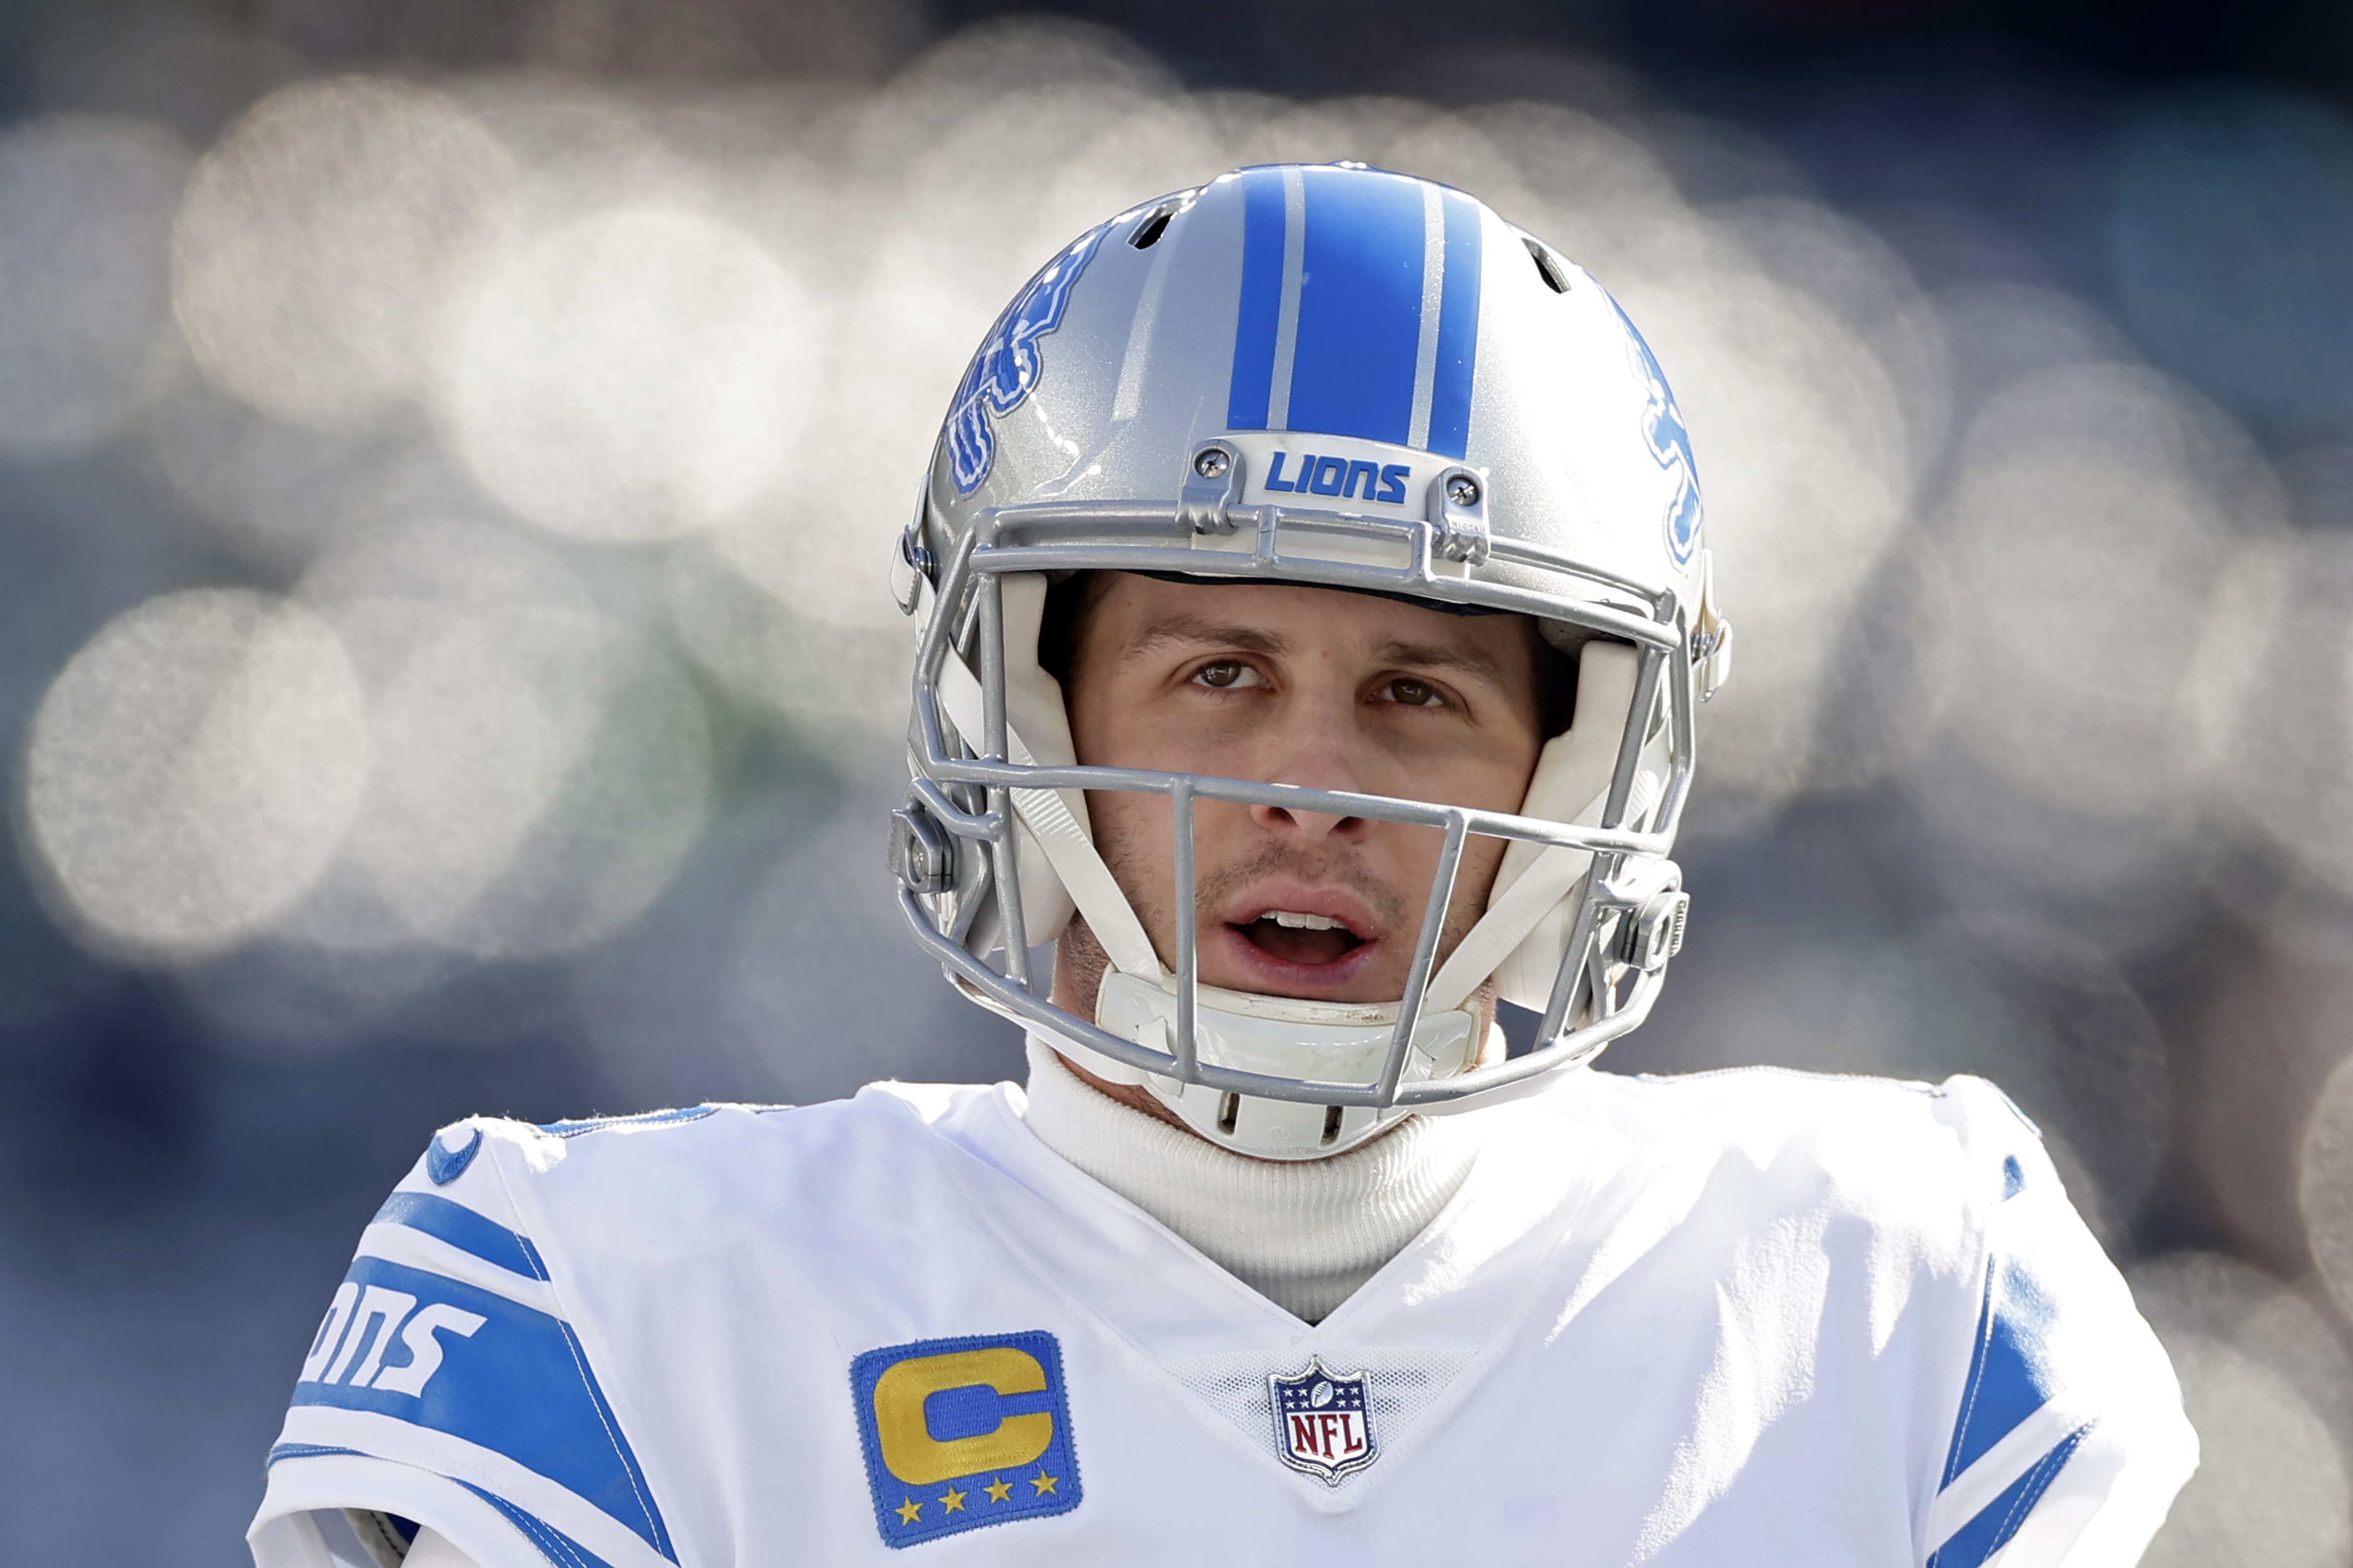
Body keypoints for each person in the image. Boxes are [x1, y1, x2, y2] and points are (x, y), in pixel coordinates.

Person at [248, 164, 2196, 1568]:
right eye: (1220, 671)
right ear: (1034, 715)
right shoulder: (626, 1303)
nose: (1315, 782)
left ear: (1578, 756)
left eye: (1421, 690)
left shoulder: (1899, 1288)